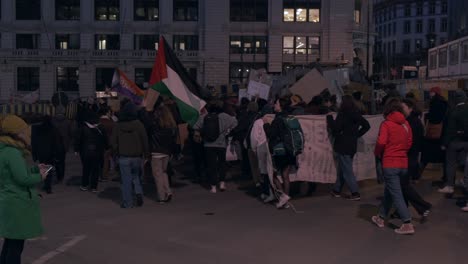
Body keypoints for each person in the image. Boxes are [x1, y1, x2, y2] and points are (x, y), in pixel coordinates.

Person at [0, 115, 49, 264]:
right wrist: (40, 176)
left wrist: (34, 169)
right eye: (23, 130)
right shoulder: (12, 153)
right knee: (15, 247)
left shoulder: (5, 150)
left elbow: (16, 174)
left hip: (9, 202)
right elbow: (22, 179)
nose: (26, 133)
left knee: (10, 243)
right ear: (16, 133)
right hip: (16, 204)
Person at [372, 98, 415, 235]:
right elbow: (409, 143)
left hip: (390, 163)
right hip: (403, 164)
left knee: (396, 194)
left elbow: (381, 142)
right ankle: (381, 217)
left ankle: (407, 223)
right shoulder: (406, 124)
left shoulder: (386, 124)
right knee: (390, 192)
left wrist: (377, 153)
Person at [327, 95, 370, 201]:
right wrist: (356, 135)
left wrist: (329, 118)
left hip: (342, 145)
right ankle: (336, 190)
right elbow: (367, 126)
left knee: (347, 170)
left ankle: (355, 193)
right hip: (352, 145)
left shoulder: (343, 114)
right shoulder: (356, 114)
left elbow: (336, 128)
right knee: (343, 168)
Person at [194, 100, 238, 193]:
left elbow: (196, 127)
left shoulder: (205, 117)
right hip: (221, 144)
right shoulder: (225, 116)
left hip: (208, 145)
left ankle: (213, 186)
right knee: (222, 163)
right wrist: (227, 130)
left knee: (211, 165)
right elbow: (235, 123)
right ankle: (222, 183)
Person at [111, 101, 149, 208]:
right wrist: (146, 154)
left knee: (126, 181)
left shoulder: (118, 125)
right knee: (136, 176)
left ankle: (128, 203)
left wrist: (116, 152)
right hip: (137, 156)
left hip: (123, 157)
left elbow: (113, 141)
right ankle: (138, 192)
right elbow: (144, 140)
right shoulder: (139, 124)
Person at [264, 95, 299, 209]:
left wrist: (266, 124)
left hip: (280, 151)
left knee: (273, 174)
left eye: (276, 103)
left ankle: (283, 197)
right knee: (285, 175)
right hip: (290, 150)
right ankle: (285, 197)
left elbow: (271, 134)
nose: (274, 105)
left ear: (281, 106)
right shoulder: (290, 117)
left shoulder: (278, 119)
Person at [400, 99, 432, 220]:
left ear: (410, 108)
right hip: (410, 157)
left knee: (403, 185)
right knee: (402, 185)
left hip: (409, 158)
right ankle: (401, 210)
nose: (401, 109)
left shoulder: (411, 122)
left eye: (403, 107)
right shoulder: (414, 121)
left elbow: (410, 142)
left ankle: (423, 206)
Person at [439, 90, 468, 196]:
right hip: (467, 142)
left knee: (451, 163)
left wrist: (444, 143)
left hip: (454, 142)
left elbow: (449, 129)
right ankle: (465, 182)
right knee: (465, 163)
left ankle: (450, 186)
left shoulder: (453, 111)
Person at [149, 105, 178, 203]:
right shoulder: (171, 125)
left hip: (156, 151)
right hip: (167, 152)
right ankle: (168, 191)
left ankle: (161, 196)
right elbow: (174, 140)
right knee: (164, 172)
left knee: (158, 175)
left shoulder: (155, 124)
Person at [74, 111, 108, 193]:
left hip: (85, 152)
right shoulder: (101, 127)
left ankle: (84, 185)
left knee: (86, 168)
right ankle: (94, 187)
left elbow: (78, 139)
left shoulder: (83, 127)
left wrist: (76, 149)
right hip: (97, 151)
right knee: (96, 169)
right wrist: (106, 147)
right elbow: (105, 139)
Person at [421, 87, 448, 185]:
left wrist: (427, 116)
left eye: (431, 92)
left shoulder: (435, 102)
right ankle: (446, 178)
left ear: (434, 93)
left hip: (433, 133)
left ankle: (416, 176)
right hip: (441, 134)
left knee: (425, 156)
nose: (430, 94)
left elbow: (434, 117)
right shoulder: (444, 102)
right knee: (445, 158)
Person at [31, 115, 64, 194]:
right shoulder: (53, 129)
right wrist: (58, 154)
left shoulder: (37, 129)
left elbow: (34, 143)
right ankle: (48, 187)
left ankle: (45, 184)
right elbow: (57, 143)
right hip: (50, 154)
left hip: (41, 154)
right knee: (49, 170)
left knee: (43, 169)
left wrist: (34, 155)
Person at [249, 104, 275, 202]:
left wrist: (253, 148)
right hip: (273, 147)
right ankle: (275, 192)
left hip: (262, 147)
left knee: (264, 171)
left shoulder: (258, 122)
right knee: (273, 171)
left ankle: (267, 192)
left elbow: (254, 137)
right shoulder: (275, 119)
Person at [230, 101, 258, 180]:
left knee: (246, 157)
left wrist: (231, 133)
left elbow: (240, 127)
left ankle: (247, 174)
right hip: (256, 140)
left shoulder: (247, 116)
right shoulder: (258, 116)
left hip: (246, 139)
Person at [52, 106, 72, 184]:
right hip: (64, 144)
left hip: (54, 144)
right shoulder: (67, 121)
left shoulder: (52, 120)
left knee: (56, 160)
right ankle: (61, 176)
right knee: (62, 161)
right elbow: (70, 133)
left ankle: (58, 175)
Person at [99, 107, 115, 182]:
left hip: (99, 143)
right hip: (108, 143)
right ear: (107, 112)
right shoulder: (110, 122)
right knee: (106, 159)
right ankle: (104, 176)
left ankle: (99, 174)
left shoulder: (98, 121)